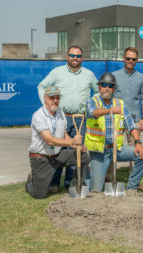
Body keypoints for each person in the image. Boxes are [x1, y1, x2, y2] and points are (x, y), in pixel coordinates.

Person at [37, 45, 98, 193]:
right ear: (67, 56)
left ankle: (71, 184)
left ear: (82, 58)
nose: (75, 58)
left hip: (80, 118)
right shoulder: (57, 72)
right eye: (72, 55)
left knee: (77, 151)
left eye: (78, 56)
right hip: (61, 117)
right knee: (58, 150)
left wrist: (91, 106)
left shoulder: (89, 75)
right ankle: (54, 182)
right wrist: (48, 107)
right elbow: (42, 86)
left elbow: (97, 92)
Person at [85, 72, 143, 192]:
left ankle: (131, 189)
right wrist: (110, 110)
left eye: (110, 86)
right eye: (104, 85)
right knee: (96, 190)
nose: (107, 88)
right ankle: (87, 174)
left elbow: (131, 125)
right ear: (99, 87)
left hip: (116, 149)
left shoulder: (120, 104)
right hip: (99, 153)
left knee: (142, 155)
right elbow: (93, 113)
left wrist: (138, 143)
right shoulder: (92, 101)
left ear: (114, 89)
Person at [26, 86, 89, 199]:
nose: (55, 100)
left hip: (57, 156)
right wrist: (71, 143)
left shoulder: (60, 113)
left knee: (84, 156)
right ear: (45, 98)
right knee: (39, 195)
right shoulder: (38, 116)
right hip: (41, 159)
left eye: (58, 98)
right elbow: (49, 140)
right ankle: (31, 182)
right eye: (52, 98)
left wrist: (76, 146)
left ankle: (73, 187)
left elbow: (64, 135)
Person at [112, 47, 143, 174]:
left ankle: (134, 178)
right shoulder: (115, 76)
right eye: (128, 58)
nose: (130, 61)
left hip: (135, 119)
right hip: (117, 118)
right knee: (114, 146)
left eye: (133, 59)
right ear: (123, 59)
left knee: (136, 148)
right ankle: (109, 176)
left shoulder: (141, 77)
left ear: (137, 60)